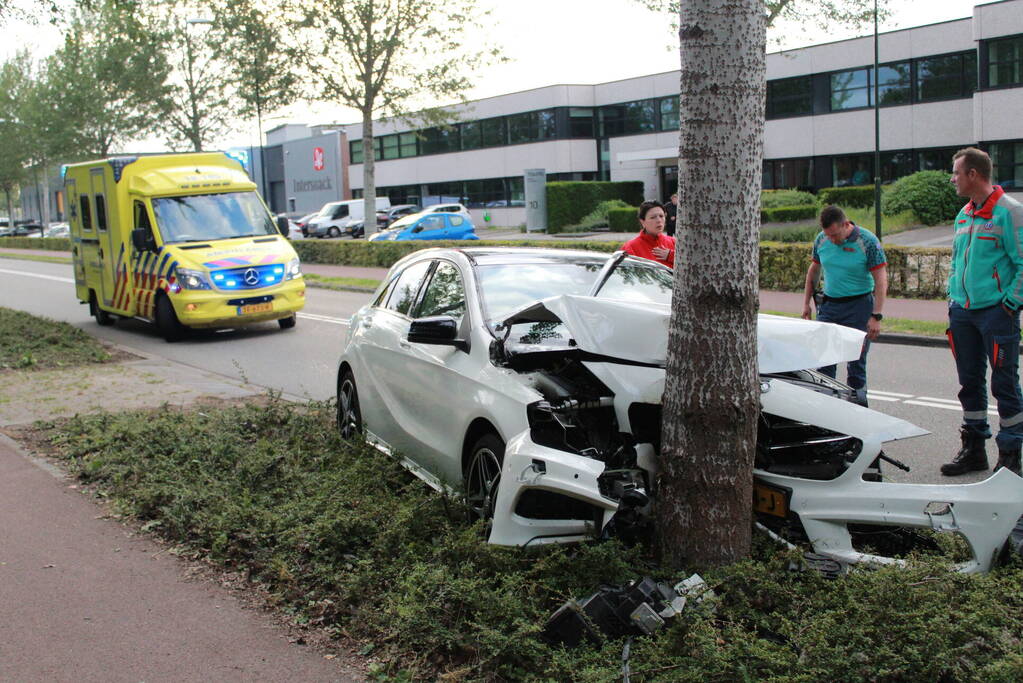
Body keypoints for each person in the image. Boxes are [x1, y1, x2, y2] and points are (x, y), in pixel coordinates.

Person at [941, 147, 1023, 477]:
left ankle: (1011, 454)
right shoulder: (964, 213)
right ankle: (974, 450)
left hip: (996, 314)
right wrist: (953, 300)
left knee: (1004, 385)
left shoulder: (1010, 212)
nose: (953, 179)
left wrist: (1010, 304)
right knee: (969, 384)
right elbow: (957, 263)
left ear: (973, 174)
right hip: (962, 314)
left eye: (956, 173)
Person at [801, 205, 887, 406]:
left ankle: (858, 410)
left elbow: (881, 279)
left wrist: (876, 315)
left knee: (856, 362)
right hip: (830, 306)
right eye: (828, 235)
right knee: (824, 362)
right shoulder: (821, 240)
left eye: (835, 235)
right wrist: (806, 303)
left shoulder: (867, 241)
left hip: (859, 306)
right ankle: (827, 410)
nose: (832, 239)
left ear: (846, 224)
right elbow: (813, 271)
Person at [621, 200, 675, 268]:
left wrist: (672, 256)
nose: (659, 220)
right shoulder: (630, 247)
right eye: (653, 217)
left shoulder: (673, 242)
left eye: (661, 216)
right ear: (642, 222)